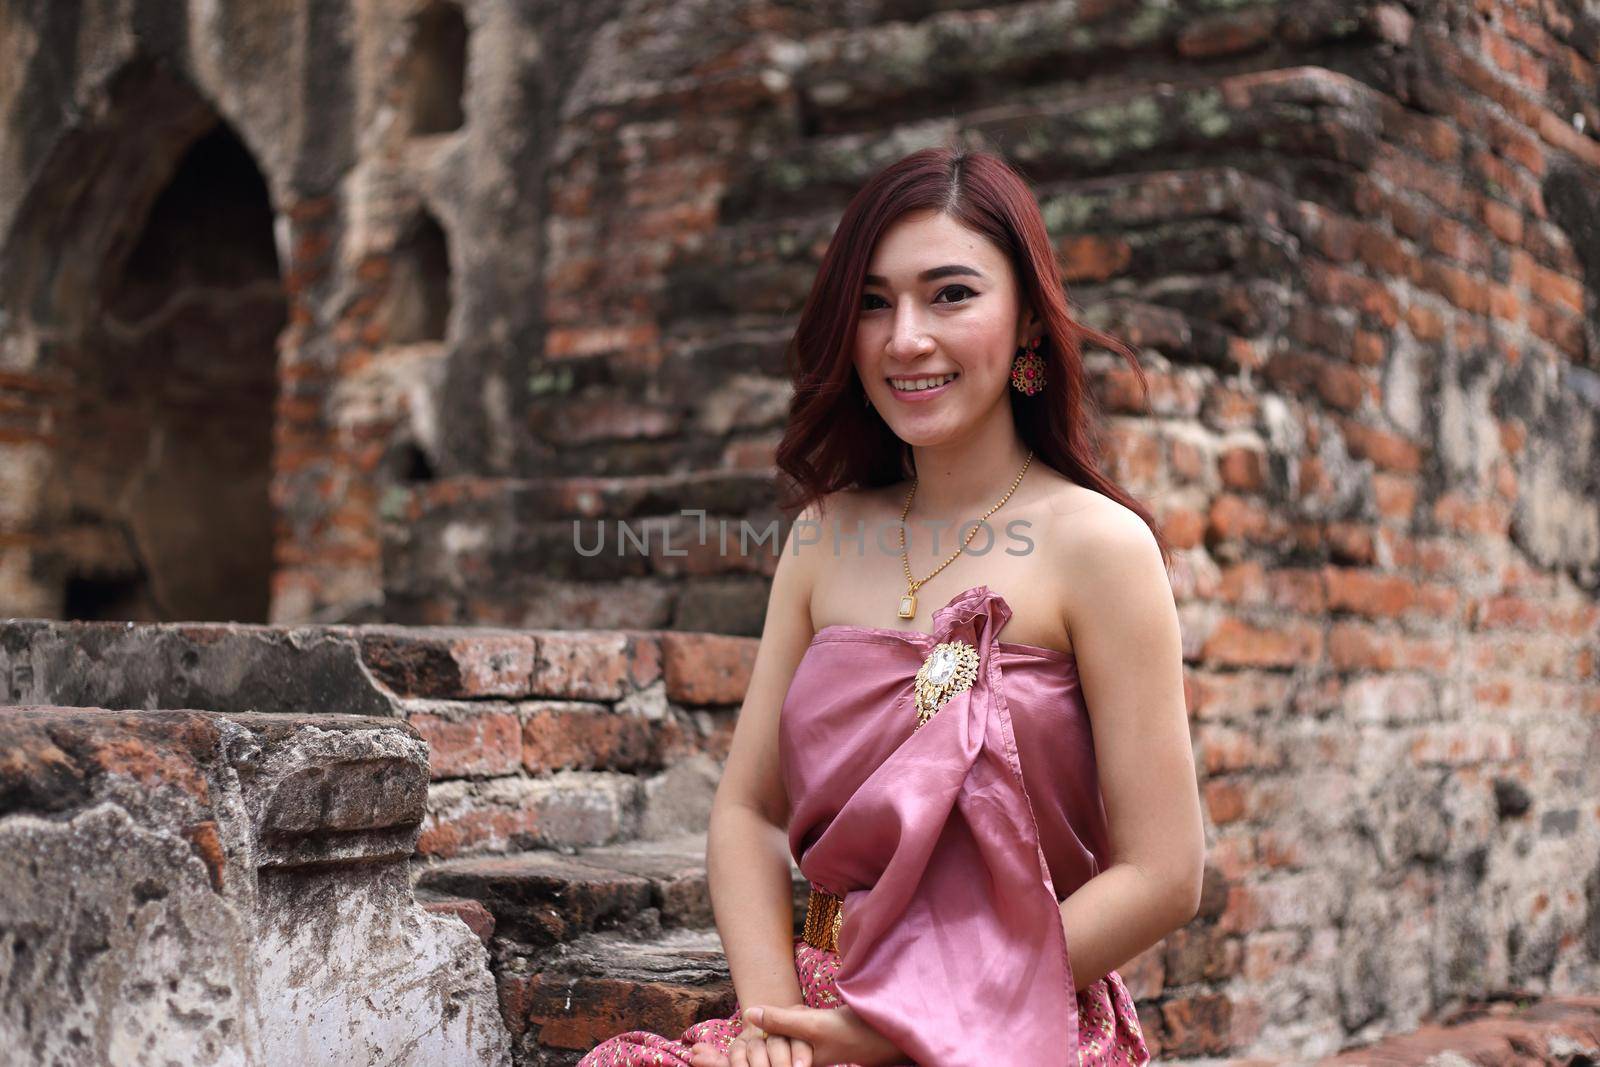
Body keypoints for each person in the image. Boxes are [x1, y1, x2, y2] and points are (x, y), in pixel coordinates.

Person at [578, 145, 1204, 1067]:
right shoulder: (824, 535)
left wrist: (909, 1025)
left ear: (1029, 319)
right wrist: (771, 1023)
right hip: (819, 1009)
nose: (904, 337)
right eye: (873, 302)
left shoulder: (1099, 547)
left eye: (951, 294)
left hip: (1010, 1016)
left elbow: (1163, 875)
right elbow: (749, 811)